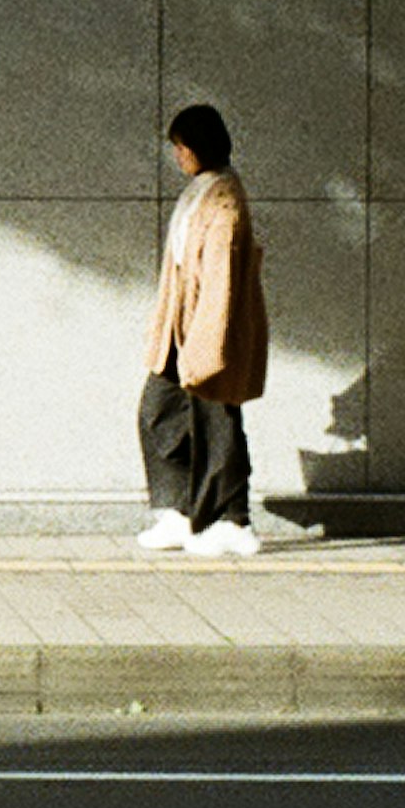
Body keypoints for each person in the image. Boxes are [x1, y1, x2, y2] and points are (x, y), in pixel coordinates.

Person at [136, 101, 269, 558]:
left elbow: (222, 275)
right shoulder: (200, 190)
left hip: (210, 330)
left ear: (199, 146)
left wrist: (209, 341)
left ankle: (232, 520)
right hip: (181, 329)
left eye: (181, 146)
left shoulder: (224, 196)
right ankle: (177, 513)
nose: (178, 155)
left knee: (218, 423)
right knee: (158, 413)